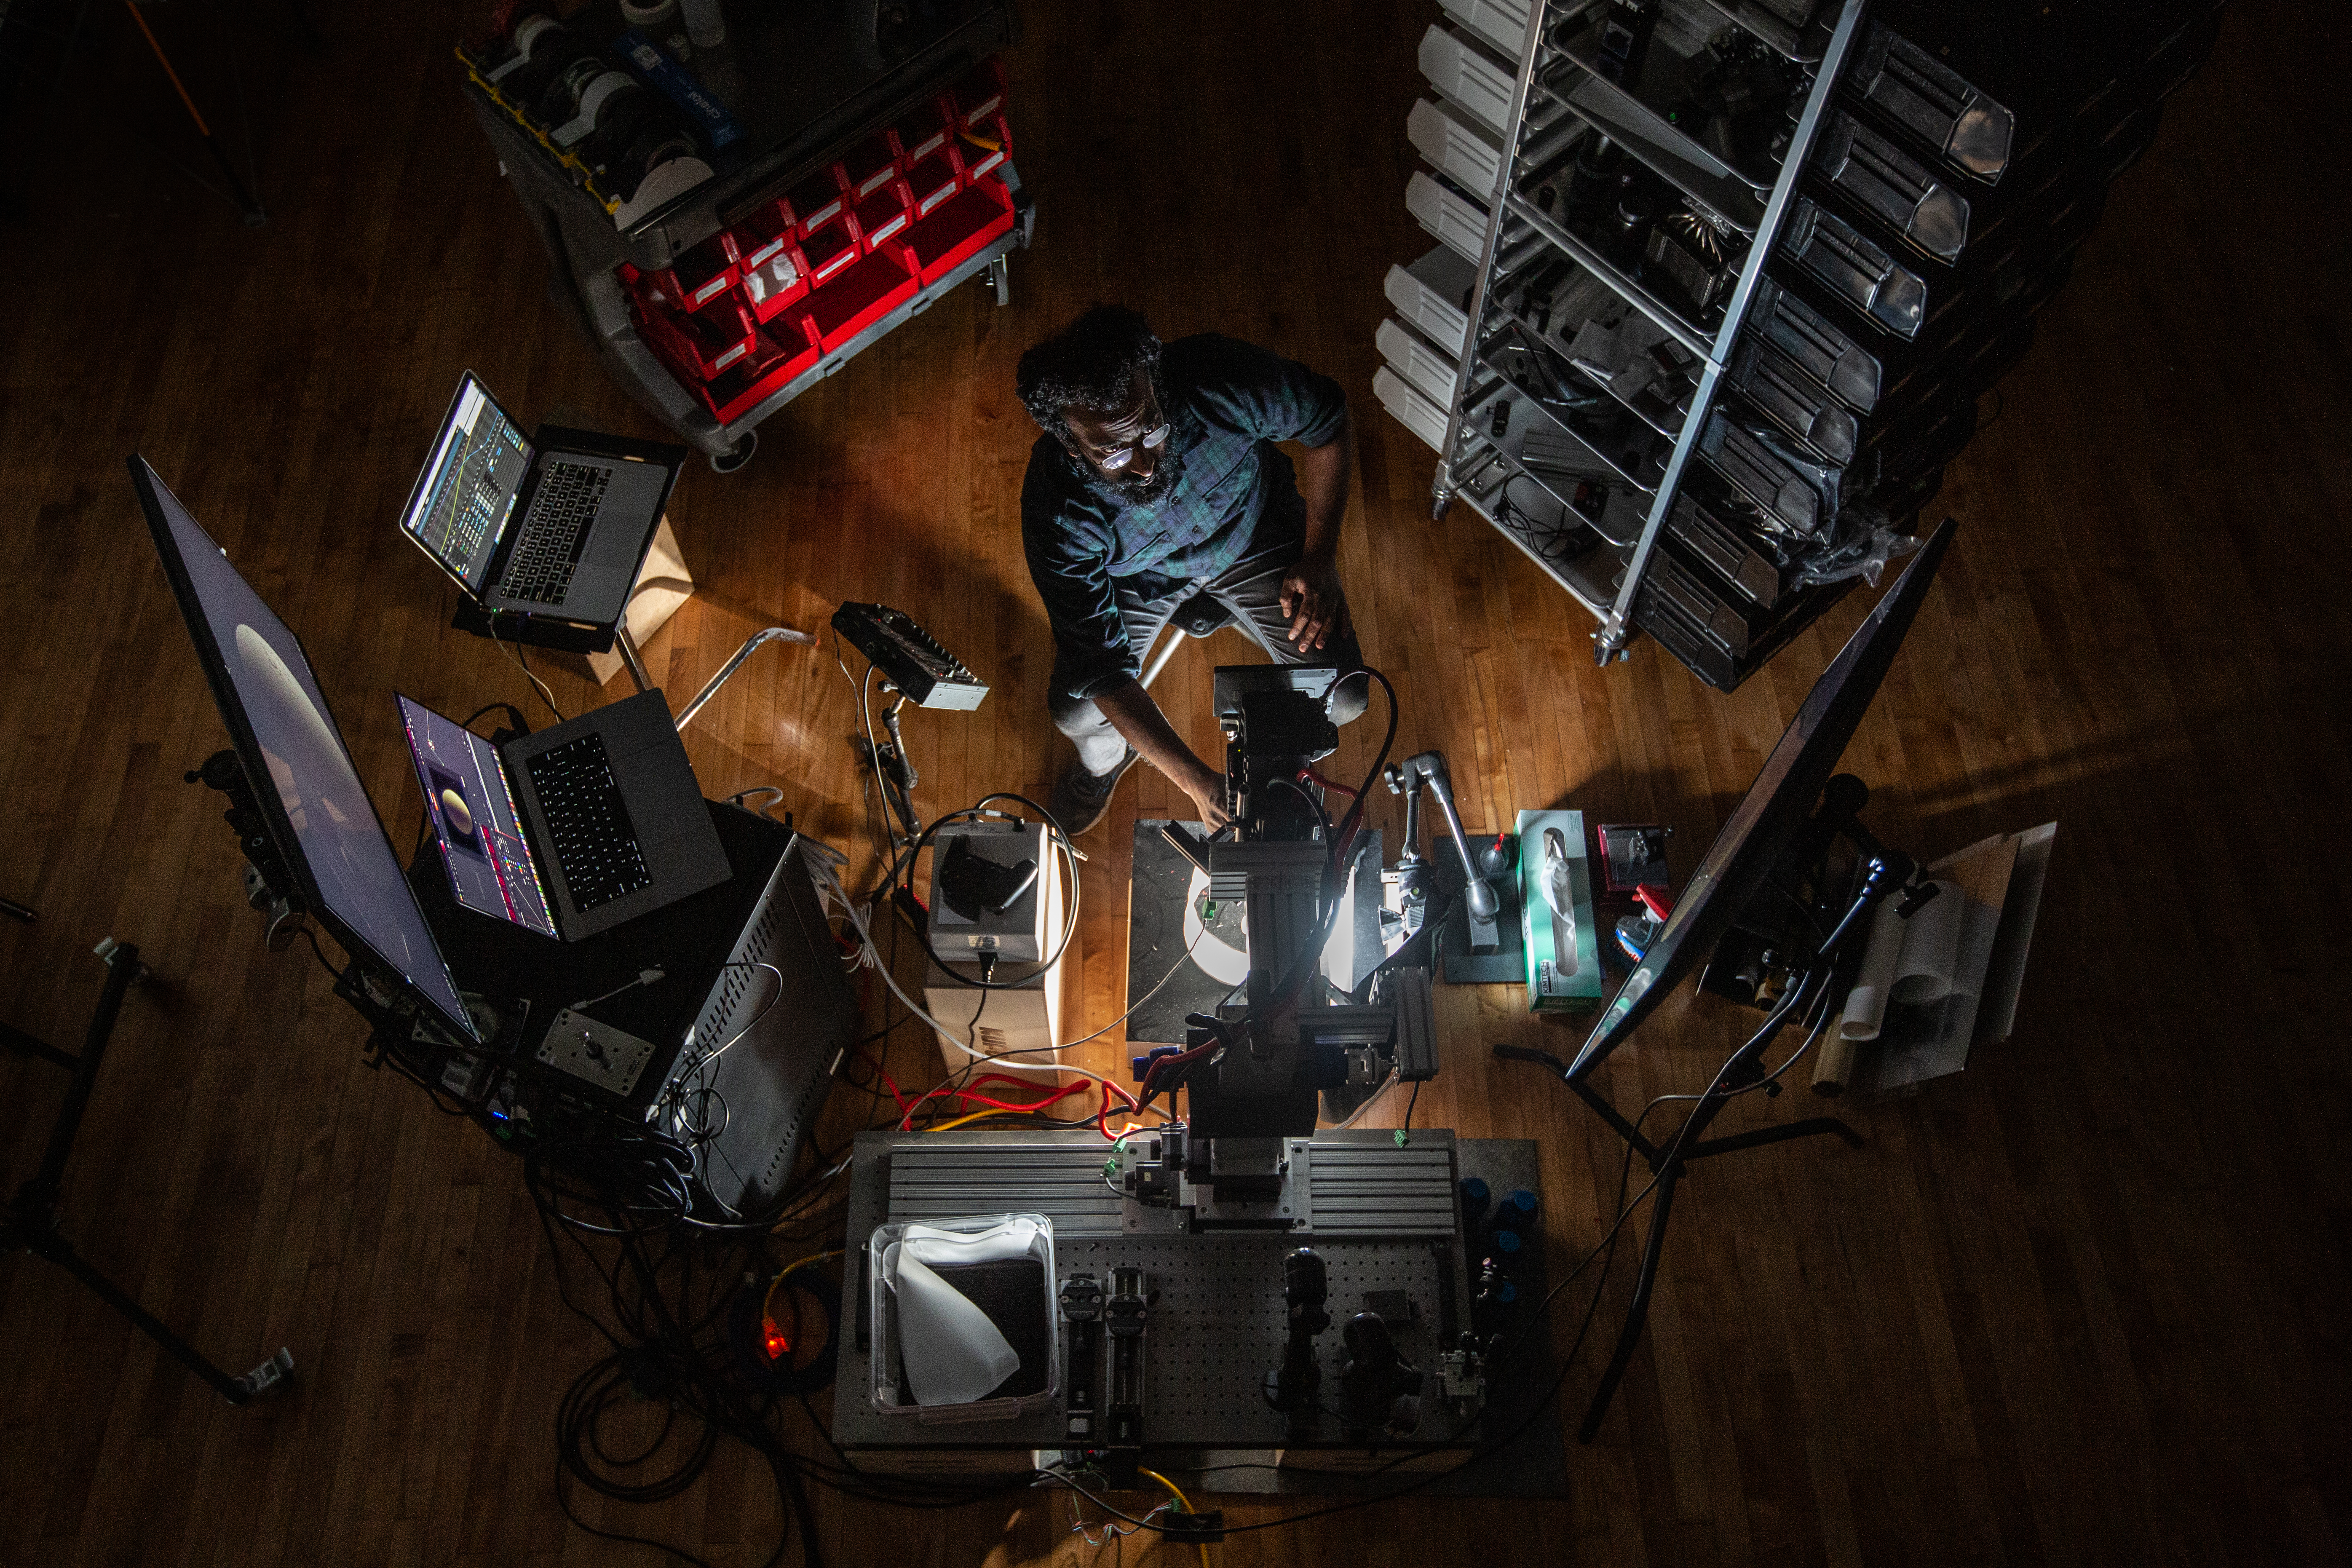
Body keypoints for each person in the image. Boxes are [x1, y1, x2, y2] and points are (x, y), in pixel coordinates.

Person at [1016, 305, 1364, 835]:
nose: (1144, 462)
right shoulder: (1057, 509)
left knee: (1347, 695)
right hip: (1138, 581)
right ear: (1071, 444)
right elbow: (1100, 667)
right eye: (1112, 451)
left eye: (1151, 429)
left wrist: (1319, 555)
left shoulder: (1220, 379)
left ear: (1156, 386)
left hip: (1255, 538)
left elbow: (1328, 420)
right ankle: (1103, 765)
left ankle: (1276, 774)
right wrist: (1194, 781)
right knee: (1077, 713)